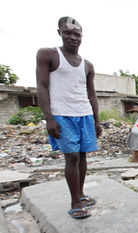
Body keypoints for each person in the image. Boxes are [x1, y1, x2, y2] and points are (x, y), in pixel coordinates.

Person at [36, 17, 102, 219]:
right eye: (68, 33)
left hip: (84, 114)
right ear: (60, 33)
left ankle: (80, 194)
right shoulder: (49, 55)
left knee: (82, 155)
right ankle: (75, 203)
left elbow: (92, 95)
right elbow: (42, 86)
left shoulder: (87, 65)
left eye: (77, 34)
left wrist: (96, 120)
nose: (72, 37)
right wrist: (49, 118)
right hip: (62, 115)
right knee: (71, 156)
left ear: (82, 37)